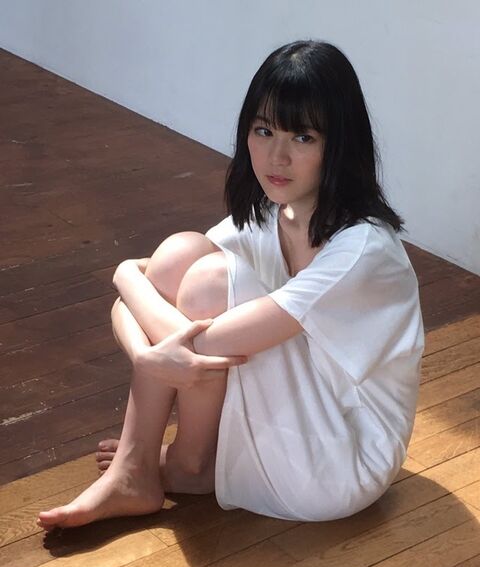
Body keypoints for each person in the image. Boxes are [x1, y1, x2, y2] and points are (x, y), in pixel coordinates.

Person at [37, 39, 424, 530]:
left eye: (302, 137)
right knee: (178, 256)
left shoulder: (362, 248)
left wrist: (129, 294)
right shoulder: (272, 215)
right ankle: (136, 468)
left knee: (204, 287)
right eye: (264, 131)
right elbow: (152, 290)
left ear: (339, 144)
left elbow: (197, 341)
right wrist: (136, 313)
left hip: (341, 461)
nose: (277, 156)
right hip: (297, 419)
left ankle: (188, 465)